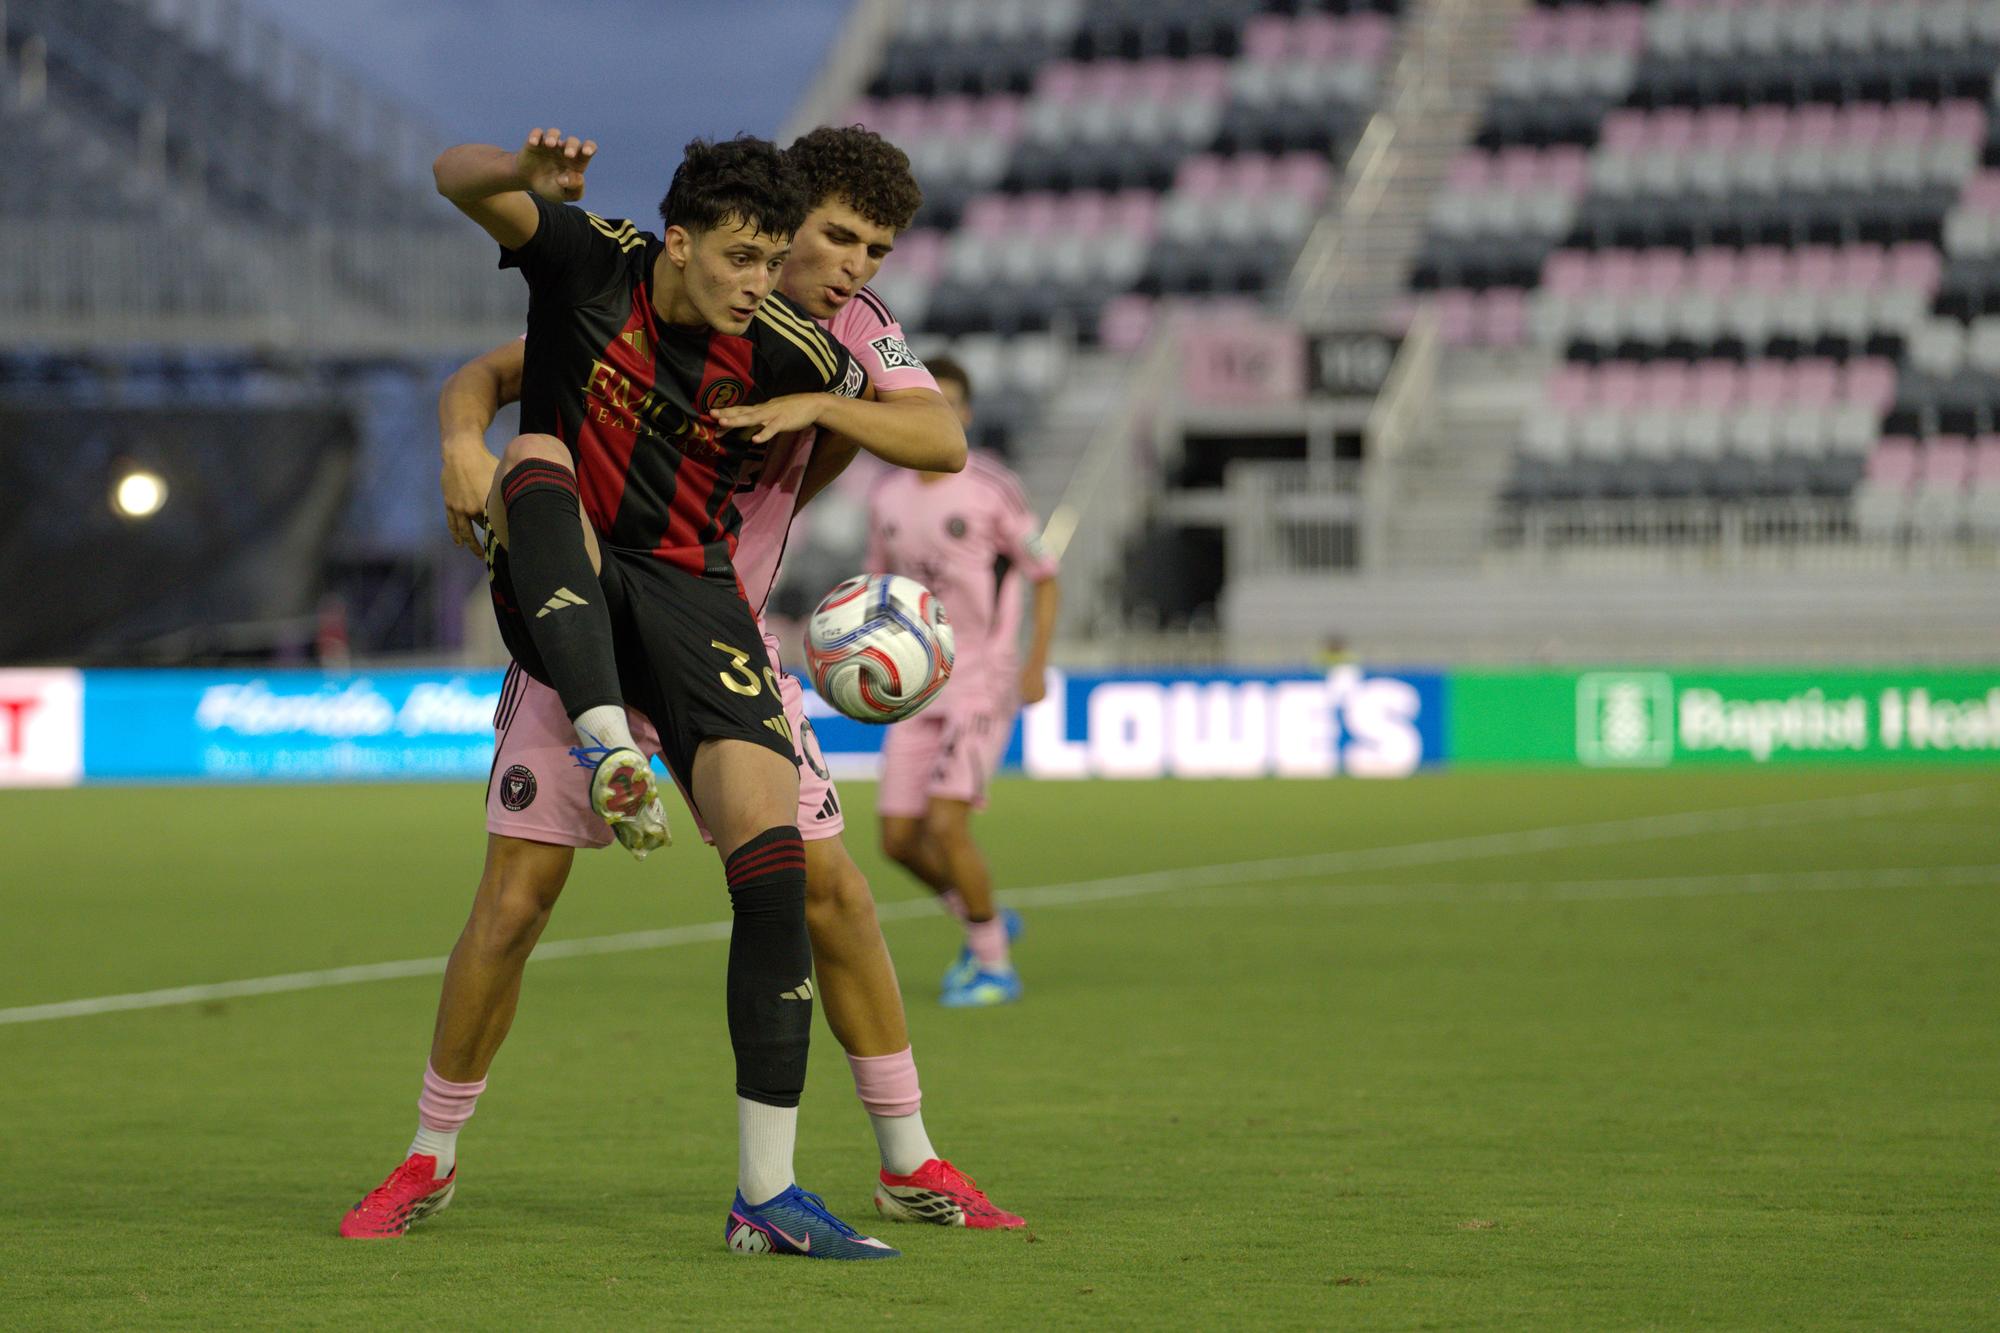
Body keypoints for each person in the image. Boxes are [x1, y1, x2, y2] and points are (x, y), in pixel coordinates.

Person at [340, 128, 900, 1258]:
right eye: (746, 258)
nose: (764, 282)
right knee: (537, 462)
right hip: (571, 591)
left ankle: (767, 1193)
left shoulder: (799, 346)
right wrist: (463, 431)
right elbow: (454, 181)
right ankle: (427, 1155)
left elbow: (925, 428)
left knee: (780, 867)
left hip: (700, 601)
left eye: (775, 258)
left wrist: (825, 413)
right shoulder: (593, 257)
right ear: (680, 242)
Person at [869, 358, 1061, 1007]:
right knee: (897, 838)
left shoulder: (992, 488)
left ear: (968, 416)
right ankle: (980, 912)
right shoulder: (886, 495)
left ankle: (994, 966)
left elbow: (1044, 574)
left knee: (947, 826)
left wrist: (1034, 663)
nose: (939, 416)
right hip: (916, 685)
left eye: (950, 404)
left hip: (981, 678)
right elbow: (879, 592)